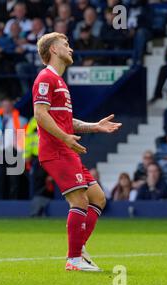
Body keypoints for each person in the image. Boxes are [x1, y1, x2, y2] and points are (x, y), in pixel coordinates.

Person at [33, 32, 122, 271]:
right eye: (66, 44)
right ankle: (73, 260)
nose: (70, 49)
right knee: (79, 200)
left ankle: (78, 249)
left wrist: (95, 126)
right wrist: (63, 138)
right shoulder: (45, 77)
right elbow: (40, 115)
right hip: (56, 150)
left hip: (66, 148)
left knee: (98, 198)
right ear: (53, 50)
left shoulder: (60, 82)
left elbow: (65, 121)